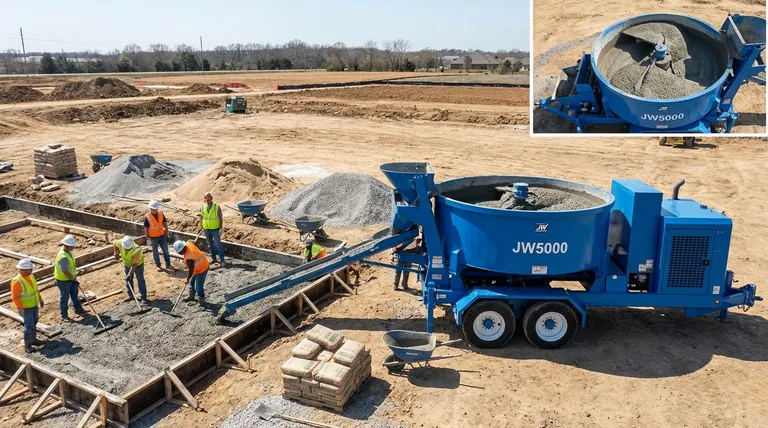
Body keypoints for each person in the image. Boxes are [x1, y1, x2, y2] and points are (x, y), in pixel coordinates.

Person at [11, 259, 45, 353]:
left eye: (30, 270)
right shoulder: (17, 281)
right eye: (27, 270)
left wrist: (40, 299)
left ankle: (33, 340)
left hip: (34, 305)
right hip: (26, 308)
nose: (29, 271)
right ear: (20, 270)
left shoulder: (31, 276)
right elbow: (15, 297)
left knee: (34, 322)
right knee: (28, 326)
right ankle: (27, 345)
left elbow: (35, 289)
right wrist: (20, 308)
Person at [54, 234, 87, 322]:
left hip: (71, 277)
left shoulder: (69, 251)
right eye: (72, 246)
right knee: (64, 297)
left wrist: (73, 277)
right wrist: (72, 278)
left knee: (74, 293)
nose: (73, 247)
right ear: (68, 245)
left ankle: (78, 309)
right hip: (63, 280)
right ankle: (64, 315)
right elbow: (65, 270)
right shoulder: (63, 257)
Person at [173, 240, 210, 306]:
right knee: (192, 282)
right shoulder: (188, 243)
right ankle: (191, 297)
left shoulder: (189, 257)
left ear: (182, 250)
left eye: (179, 252)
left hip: (202, 269)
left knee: (198, 287)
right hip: (198, 266)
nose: (179, 254)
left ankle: (202, 301)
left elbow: (191, 269)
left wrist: (187, 279)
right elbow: (192, 241)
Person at [113, 235, 148, 304]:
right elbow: (114, 243)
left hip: (138, 265)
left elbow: (134, 264)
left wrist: (129, 274)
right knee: (128, 280)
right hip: (127, 264)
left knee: (140, 279)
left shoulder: (136, 249)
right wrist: (115, 252)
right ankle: (130, 295)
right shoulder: (120, 243)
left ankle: (143, 298)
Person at [144, 200, 173, 272]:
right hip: (153, 237)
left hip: (162, 235)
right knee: (155, 252)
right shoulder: (147, 216)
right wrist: (147, 237)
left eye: (156, 209)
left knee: (166, 251)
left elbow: (164, 222)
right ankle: (158, 265)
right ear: (150, 209)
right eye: (154, 209)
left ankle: (168, 264)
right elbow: (146, 227)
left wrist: (167, 230)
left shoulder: (160, 213)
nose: (155, 211)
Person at [200, 192, 225, 267]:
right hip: (206, 229)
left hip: (215, 229)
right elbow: (202, 217)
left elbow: (220, 218)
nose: (208, 200)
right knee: (210, 245)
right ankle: (213, 258)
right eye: (206, 199)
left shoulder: (216, 207)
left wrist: (220, 228)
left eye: (209, 199)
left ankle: (222, 260)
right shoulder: (202, 207)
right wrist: (202, 226)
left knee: (218, 245)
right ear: (204, 199)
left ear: (211, 199)